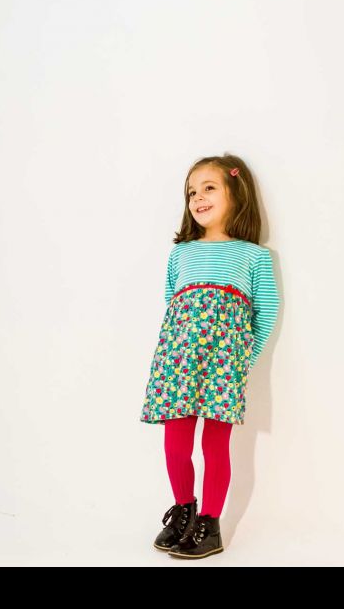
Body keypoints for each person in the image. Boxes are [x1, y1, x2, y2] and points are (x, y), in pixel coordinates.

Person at [139, 154, 280, 559]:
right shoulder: (181, 253)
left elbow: (267, 311)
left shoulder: (253, 255)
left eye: (209, 188)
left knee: (215, 445)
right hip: (178, 360)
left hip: (224, 363)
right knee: (176, 443)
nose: (198, 198)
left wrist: (243, 360)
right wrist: (180, 347)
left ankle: (210, 524)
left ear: (236, 194)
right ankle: (184, 511)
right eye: (191, 192)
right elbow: (173, 301)